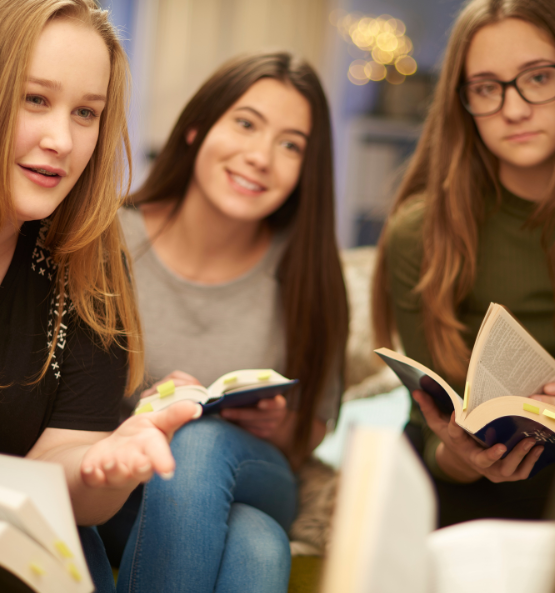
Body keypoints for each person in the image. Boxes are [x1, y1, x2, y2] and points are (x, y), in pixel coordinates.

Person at [113, 53, 349, 593]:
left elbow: (317, 422)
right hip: (118, 485)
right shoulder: (110, 240)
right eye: (246, 123)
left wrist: (274, 422)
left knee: (196, 444)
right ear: (197, 126)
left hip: (253, 473)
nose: (261, 157)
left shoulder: (307, 268)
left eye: (291, 145)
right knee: (257, 545)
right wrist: (156, 408)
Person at [0, 1, 202, 590]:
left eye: (86, 112)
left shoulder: (91, 256)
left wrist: (104, 465)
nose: (60, 139)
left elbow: (54, 469)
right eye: (34, 99)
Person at [373, 0, 555, 527]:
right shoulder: (422, 232)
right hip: (467, 509)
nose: (514, 109)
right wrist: (462, 455)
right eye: (486, 87)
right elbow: (436, 431)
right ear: (463, 101)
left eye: (539, 77)